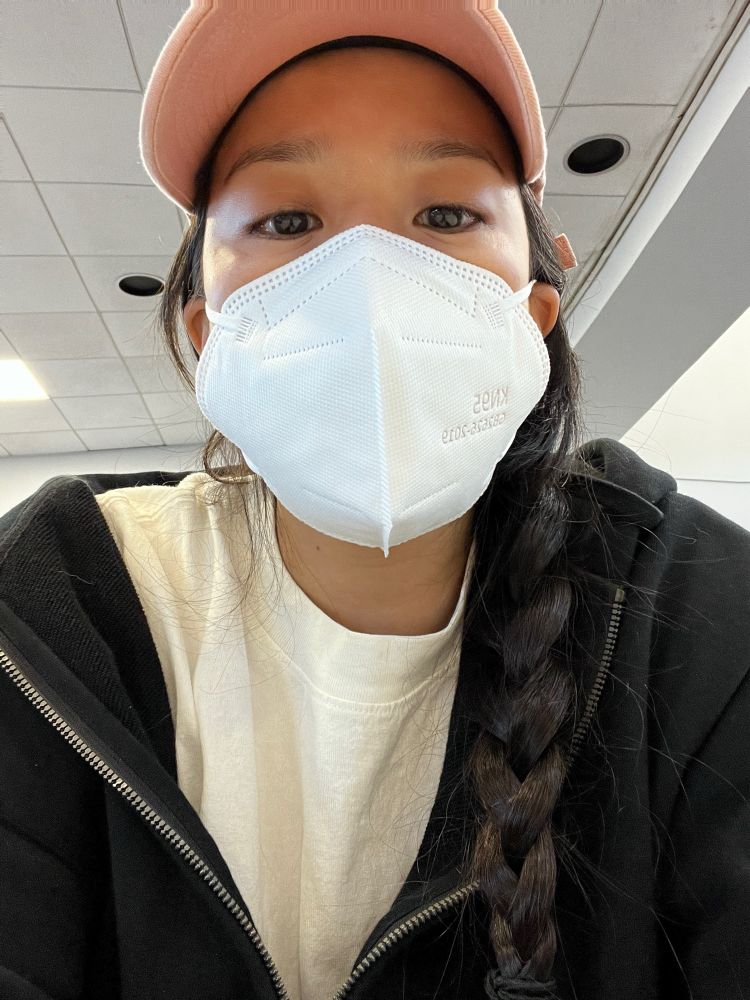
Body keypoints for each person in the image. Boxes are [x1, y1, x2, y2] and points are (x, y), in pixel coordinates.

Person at [0, 5, 748, 1000]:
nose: (365, 283)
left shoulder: (692, 609)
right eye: (287, 221)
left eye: (443, 216)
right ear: (207, 329)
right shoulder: (54, 601)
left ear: (532, 316)